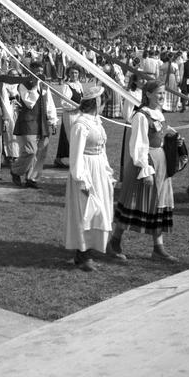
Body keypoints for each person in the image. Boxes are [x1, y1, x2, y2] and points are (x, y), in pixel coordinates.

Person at [110, 79, 178, 262]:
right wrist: (145, 169)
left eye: (164, 93)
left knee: (158, 203)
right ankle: (114, 242)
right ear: (148, 94)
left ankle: (158, 248)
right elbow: (138, 145)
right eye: (159, 93)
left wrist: (170, 133)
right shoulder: (140, 116)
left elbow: (160, 132)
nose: (162, 96)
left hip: (160, 162)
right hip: (145, 164)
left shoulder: (158, 113)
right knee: (134, 202)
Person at [64, 83, 115, 272]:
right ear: (96, 103)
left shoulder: (96, 121)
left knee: (99, 210)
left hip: (98, 169)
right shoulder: (80, 124)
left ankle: (89, 250)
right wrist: (81, 178)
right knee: (84, 211)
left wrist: (107, 172)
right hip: (86, 170)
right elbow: (76, 154)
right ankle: (82, 253)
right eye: (103, 103)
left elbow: (101, 149)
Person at [10, 62, 58, 189]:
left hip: (42, 122)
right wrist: (36, 85)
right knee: (30, 151)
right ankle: (15, 170)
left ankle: (32, 178)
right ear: (30, 71)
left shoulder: (44, 86)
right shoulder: (23, 85)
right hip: (28, 121)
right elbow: (29, 102)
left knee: (41, 153)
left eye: (41, 71)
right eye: (36, 71)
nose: (39, 74)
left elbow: (49, 103)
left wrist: (53, 120)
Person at [54, 66, 84, 168]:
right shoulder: (66, 86)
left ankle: (75, 159)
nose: (74, 75)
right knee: (71, 137)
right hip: (70, 115)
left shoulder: (79, 85)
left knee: (78, 137)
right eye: (72, 73)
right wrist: (77, 107)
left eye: (76, 73)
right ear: (68, 74)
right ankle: (69, 160)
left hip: (79, 115)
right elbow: (64, 103)